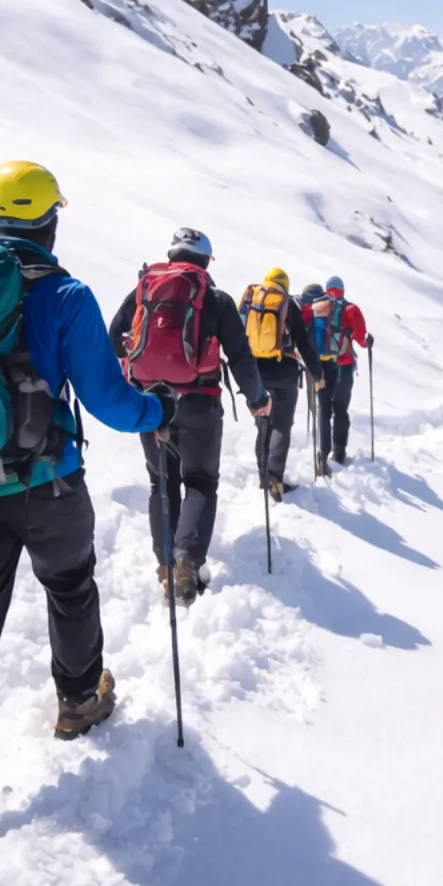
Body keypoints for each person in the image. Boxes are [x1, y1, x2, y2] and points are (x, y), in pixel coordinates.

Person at [0, 161, 168, 838]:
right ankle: (79, 700)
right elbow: (108, 400)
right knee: (70, 586)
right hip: (46, 482)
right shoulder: (65, 294)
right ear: (49, 219)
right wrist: (156, 411)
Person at [109, 227, 271, 604]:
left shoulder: (143, 291)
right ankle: (188, 561)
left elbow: (114, 337)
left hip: (152, 403)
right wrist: (258, 399)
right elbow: (241, 357)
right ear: (205, 261)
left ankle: (165, 564)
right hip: (200, 402)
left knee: (161, 483)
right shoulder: (215, 299)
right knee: (200, 481)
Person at [238, 267, 320, 500]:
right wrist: (317, 374)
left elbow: (238, 336)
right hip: (284, 372)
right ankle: (274, 477)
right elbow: (303, 342)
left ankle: (262, 476)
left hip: (255, 373)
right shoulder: (288, 304)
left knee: (262, 424)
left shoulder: (251, 300)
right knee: (281, 425)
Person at [306, 276, 371, 470]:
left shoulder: (317, 308)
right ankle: (339, 451)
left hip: (322, 366)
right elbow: (361, 339)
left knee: (324, 408)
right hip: (344, 365)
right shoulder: (350, 309)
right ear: (342, 290)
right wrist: (368, 342)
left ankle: (322, 453)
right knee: (340, 409)